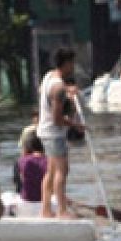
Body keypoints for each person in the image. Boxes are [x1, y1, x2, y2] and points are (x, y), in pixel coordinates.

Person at [37, 48, 84, 219]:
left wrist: (68, 90)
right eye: (72, 63)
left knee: (51, 171)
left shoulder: (49, 76)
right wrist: (75, 125)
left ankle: (46, 210)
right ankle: (62, 211)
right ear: (66, 64)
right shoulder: (58, 88)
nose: (73, 66)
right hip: (53, 133)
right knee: (62, 171)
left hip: (44, 131)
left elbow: (43, 91)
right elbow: (57, 119)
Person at [16, 133, 48, 209]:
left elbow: (19, 181)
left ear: (26, 147)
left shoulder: (22, 160)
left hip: (27, 198)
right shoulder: (49, 160)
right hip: (44, 197)